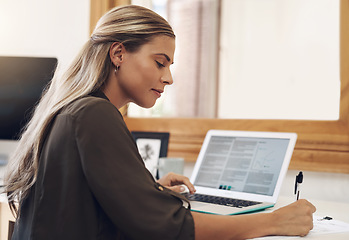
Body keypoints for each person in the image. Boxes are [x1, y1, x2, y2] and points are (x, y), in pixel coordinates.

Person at [4, 5, 316, 240]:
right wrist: (274, 222)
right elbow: (167, 227)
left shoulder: (72, 109)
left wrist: (146, 189)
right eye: (160, 62)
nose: (168, 78)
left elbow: (80, 199)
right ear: (118, 54)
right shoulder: (93, 114)